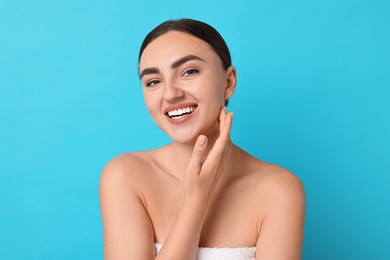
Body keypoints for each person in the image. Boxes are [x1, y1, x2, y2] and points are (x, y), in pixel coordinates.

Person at [99, 18, 305, 260]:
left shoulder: (278, 190)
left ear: (229, 82)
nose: (171, 94)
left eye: (189, 72)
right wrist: (196, 202)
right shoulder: (126, 175)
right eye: (154, 81)